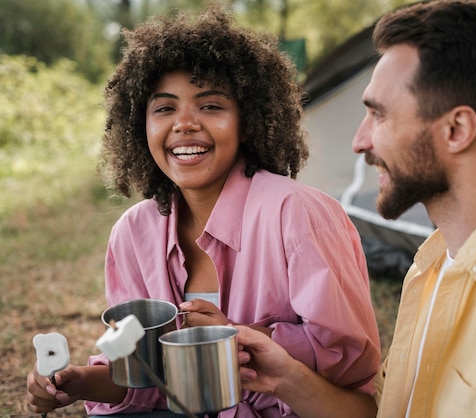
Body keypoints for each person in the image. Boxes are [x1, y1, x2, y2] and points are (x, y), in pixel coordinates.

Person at [233, 0, 476, 417]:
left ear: (456, 130)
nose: (360, 141)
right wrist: (284, 378)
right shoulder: (433, 265)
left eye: (378, 116)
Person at [26, 3, 381, 417]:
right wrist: (77, 382)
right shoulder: (133, 233)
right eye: (164, 108)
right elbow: (149, 379)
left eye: (210, 105)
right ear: (141, 125)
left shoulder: (298, 214)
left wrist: (238, 337)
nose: (185, 124)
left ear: (248, 120)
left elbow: (348, 368)